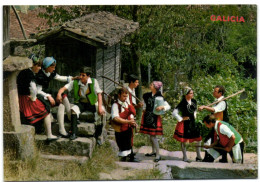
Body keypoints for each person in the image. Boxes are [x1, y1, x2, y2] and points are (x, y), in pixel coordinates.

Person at [56, 66, 105, 141]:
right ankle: (74, 133)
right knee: (73, 110)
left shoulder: (94, 81)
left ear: (88, 76)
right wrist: (59, 94)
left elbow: (99, 94)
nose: (81, 77)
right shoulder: (75, 82)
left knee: (101, 113)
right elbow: (63, 88)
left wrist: (100, 107)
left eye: (83, 75)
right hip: (81, 103)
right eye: (80, 75)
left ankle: (98, 135)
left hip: (92, 103)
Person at [17, 54, 59, 141]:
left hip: (21, 98)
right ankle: (49, 135)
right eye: (38, 66)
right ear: (32, 65)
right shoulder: (30, 75)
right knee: (45, 110)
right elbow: (33, 89)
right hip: (27, 99)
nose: (40, 68)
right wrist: (33, 98)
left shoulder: (22, 72)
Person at [36, 56, 78, 138]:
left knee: (63, 96)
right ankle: (62, 130)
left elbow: (59, 77)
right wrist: (48, 96)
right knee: (61, 105)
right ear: (47, 67)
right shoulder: (40, 76)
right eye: (52, 67)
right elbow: (38, 90)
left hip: (47, 92)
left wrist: (72, 78)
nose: (54, 69)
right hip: (41, 95)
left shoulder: (50, 72)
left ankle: (70, 118)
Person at [139, 81, 171, 162]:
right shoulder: (147, 95)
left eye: (152, 85)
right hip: (147, 116)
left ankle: (158, 154)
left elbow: (168, 106)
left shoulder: (160, 96)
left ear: (156, 87)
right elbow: (145, 104)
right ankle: (153, 151)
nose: (150, 85)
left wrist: (162, 107)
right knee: (150, 135)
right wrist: (143, 107)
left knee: (153, 136)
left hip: (155, 117)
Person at [198, 85, 229, 163]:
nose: (213, 92)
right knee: (219, 141)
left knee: (209, 140)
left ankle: (207, 158)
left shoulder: (222, 102)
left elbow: (215, 110)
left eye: (215, 91)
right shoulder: (218, 101)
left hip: (221, 125)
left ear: (220, 93)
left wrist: (204, 107)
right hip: (217, 125)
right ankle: (223, 159)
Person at [172, 87, 202, 162]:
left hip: (193, 123)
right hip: (185, 124)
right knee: (184, 141)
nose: (192, 94)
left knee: (198, 139)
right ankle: (184, 156)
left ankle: (198, 156)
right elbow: (174, 113)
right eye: (191, 93)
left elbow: (194, 110)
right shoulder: (183, 103)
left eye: (192, 93)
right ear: (186, 94)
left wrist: (194, 115)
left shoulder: (194, 101)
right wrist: (181, 118)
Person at [111, 88, 139, 162]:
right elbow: (115, 118)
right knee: (122, 143)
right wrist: (128, 122)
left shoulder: (127, 104)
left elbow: (131, 114)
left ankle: (131, 157)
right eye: (123, 96)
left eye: (126, 96)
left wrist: (133, 122)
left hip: (128, 128)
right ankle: (123, 160)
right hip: (120, 128)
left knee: (129, 142)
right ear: (119, 95)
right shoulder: (115, 105)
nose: (125, 98)